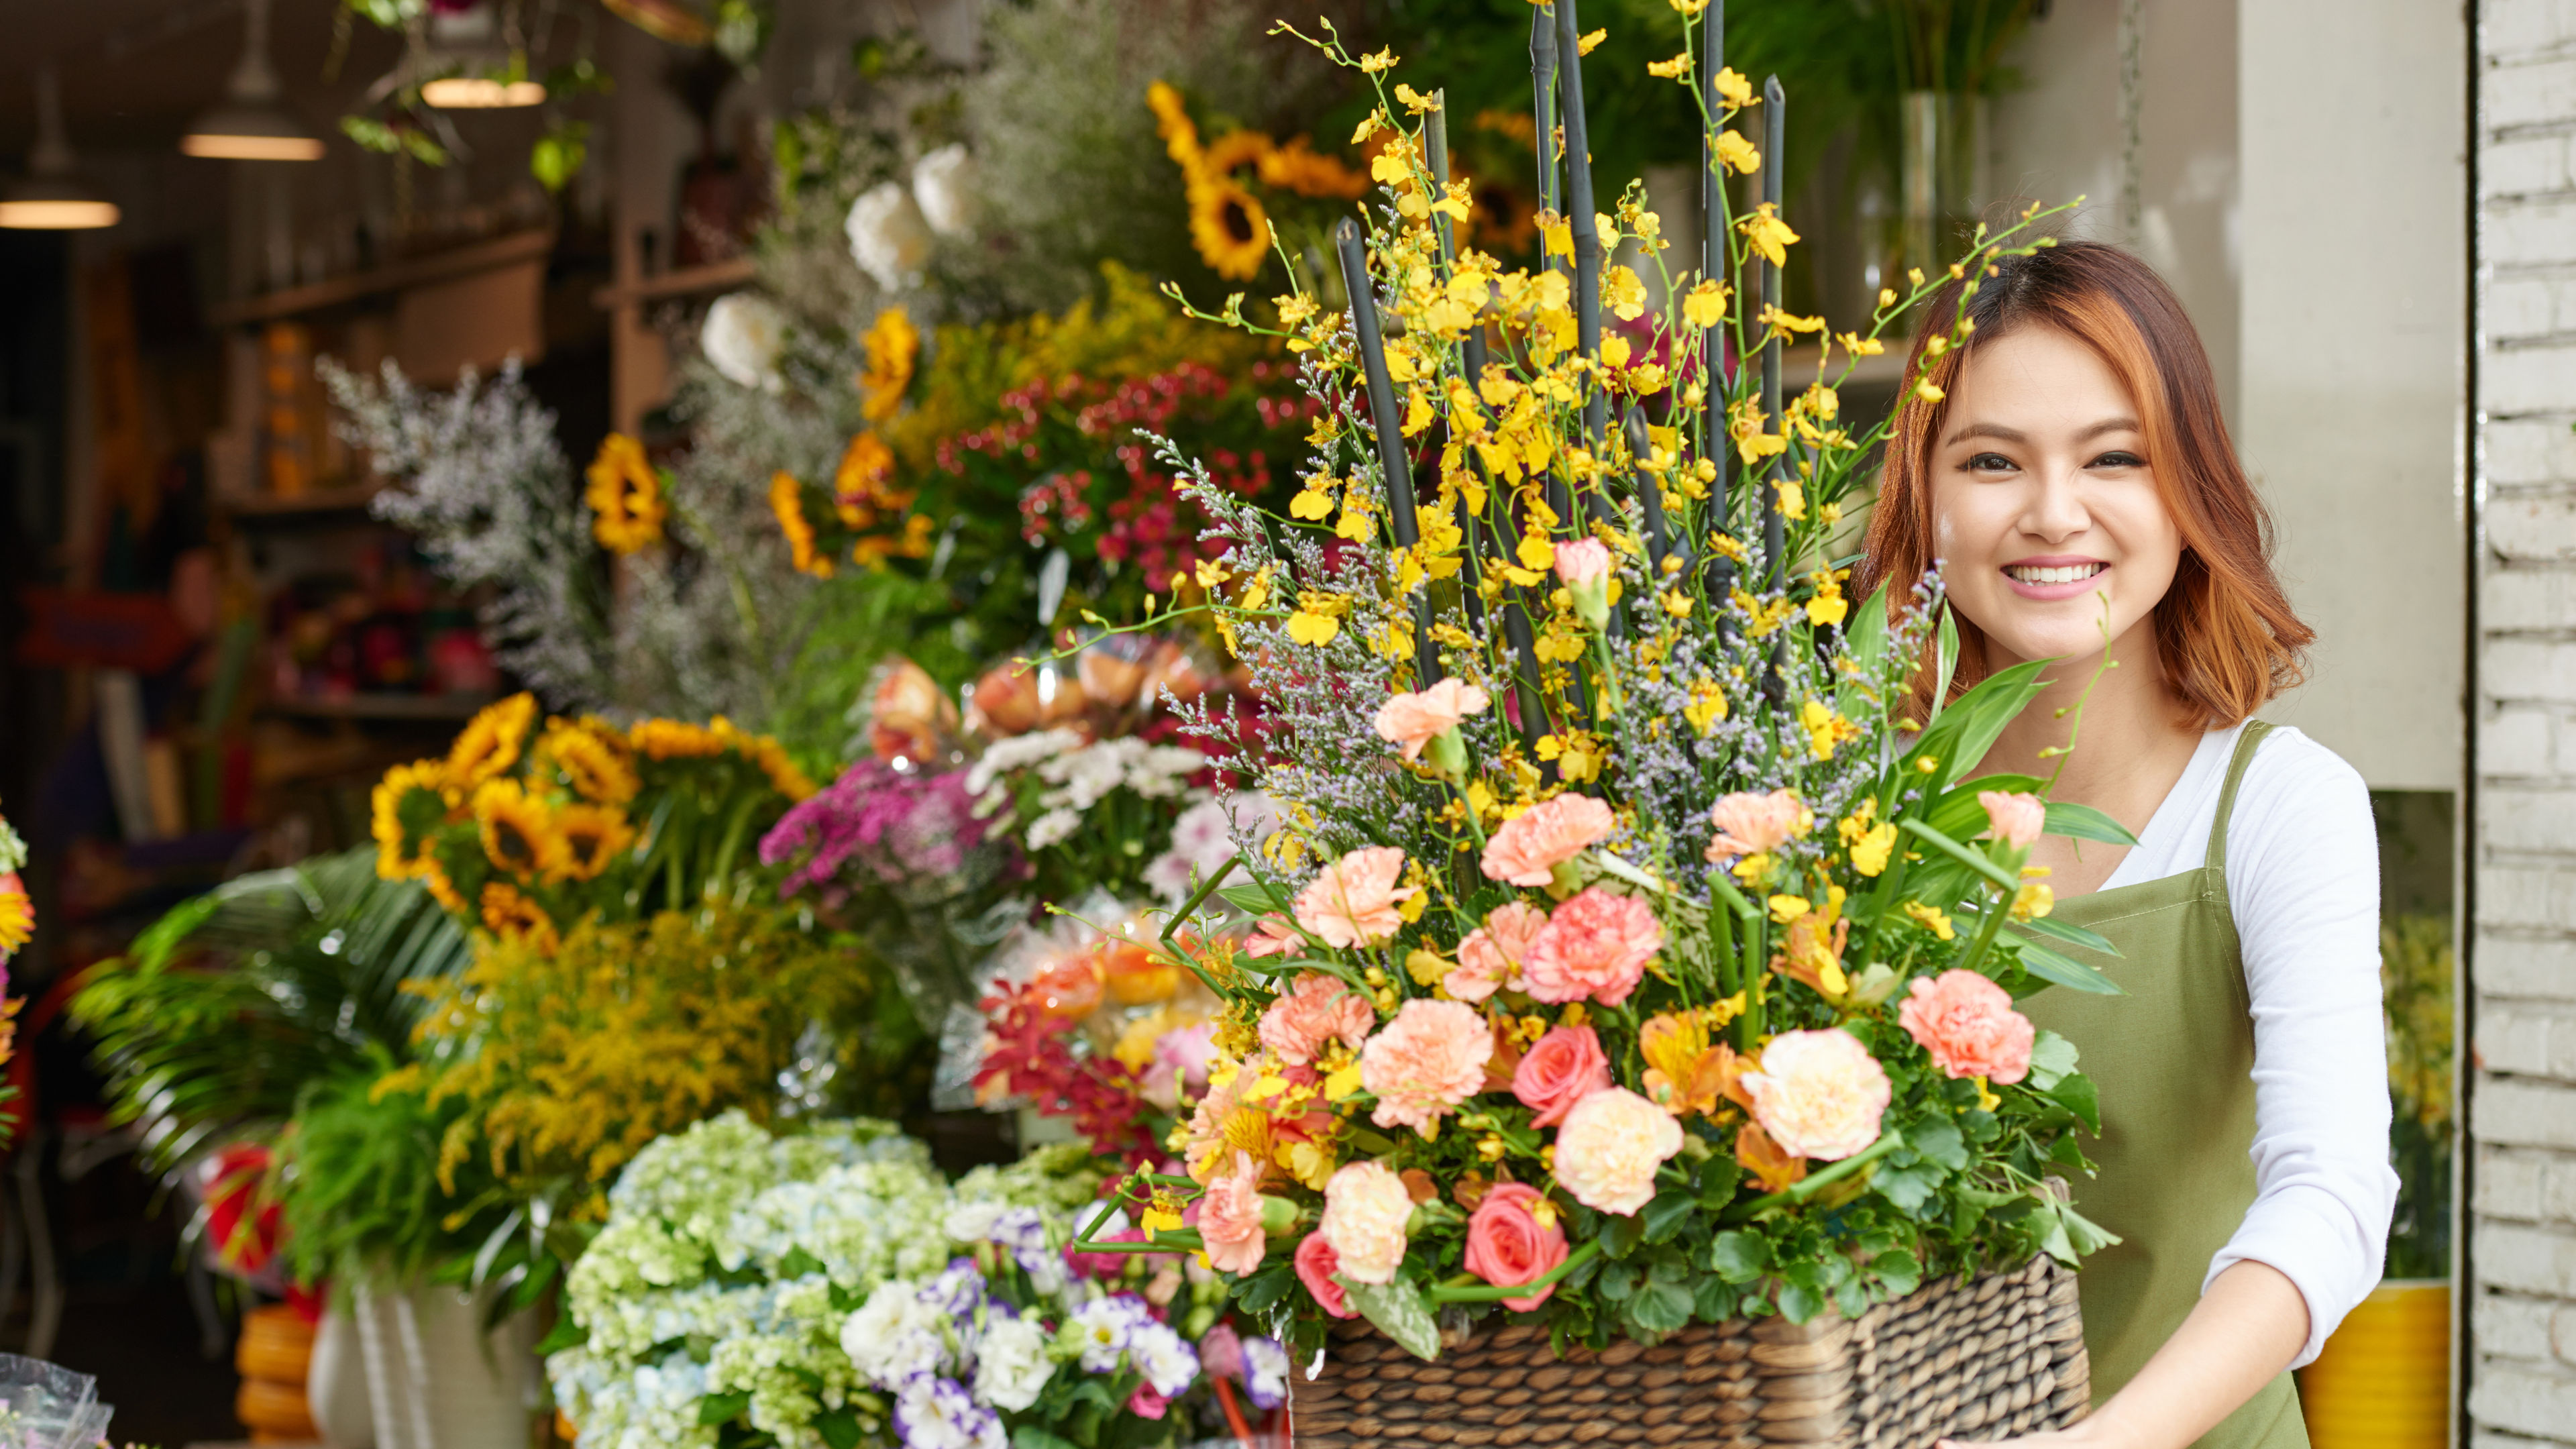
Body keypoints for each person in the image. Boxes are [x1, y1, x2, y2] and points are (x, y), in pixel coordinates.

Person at [1856, 239, 2396, 1449]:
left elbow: (2332, 1197)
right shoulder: (1842, 806)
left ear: (2189, 490)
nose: (2054, 513)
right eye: (1992, 461)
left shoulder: (2278, 806)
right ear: (1923, 498)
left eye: (2115, 458)